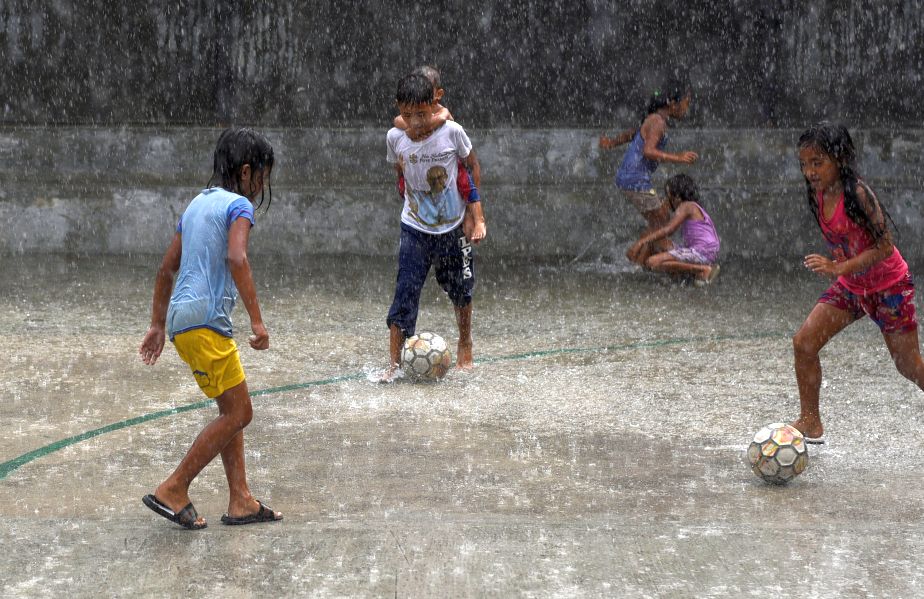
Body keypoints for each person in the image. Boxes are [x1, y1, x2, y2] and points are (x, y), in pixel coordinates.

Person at [138, 127, 282, 529]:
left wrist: (157, 324)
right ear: (247, 172)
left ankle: (241, 500)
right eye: (262, 177)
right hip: (207, 322)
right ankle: (174, 487)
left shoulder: (196, 205)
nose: (261, 187)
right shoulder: (239, 206)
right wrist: (257, 320)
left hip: (182, 322)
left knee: (230, 410)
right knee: (241, 412)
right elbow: (237, 258)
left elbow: (166, 268)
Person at [791, 122, 924, 443]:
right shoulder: (817, 193)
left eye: (817, 162)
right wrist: (844, 270)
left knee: (909, 367)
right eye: (805, 164)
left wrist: (839, 267)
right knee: (804, 344)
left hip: (889, 287)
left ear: (839, 159)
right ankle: (810, 422)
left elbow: (885, 247)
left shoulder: (858, 194)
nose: (810, 172)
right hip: (852, 286)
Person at [383, 73, 486, 381]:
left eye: (422, 114)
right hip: (414, 228)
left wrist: (473, 215)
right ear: (399, 108)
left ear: (435, 105)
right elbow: (399, 169)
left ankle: (465, 342)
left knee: (461, 289)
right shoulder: (395, 137)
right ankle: (393, 364)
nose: (415, 122)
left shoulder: (452, 132)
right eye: (408, 115)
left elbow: (471, 166)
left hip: (452, 228)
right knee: (404, 293)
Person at [599, 82, 699, 265]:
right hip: (635, 179)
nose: (687, 108)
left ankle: (640, 260)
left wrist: (611, 143)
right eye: (686, 102)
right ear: (672, 104)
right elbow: (648, 151)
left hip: (631, 178)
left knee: (659, 222)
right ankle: (672, 260)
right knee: (662, 223)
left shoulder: (654, 119)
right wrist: (678, 157)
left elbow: (633, 134)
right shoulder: (658, 122)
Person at [392, 65, 484, 242]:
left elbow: (473, 165)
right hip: (420, 205)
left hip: (449, 176)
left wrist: (470, 215)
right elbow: (397, 121)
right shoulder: (408, 119)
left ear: (437, 95)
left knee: (464, 183)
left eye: (427, 91)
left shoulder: (444, 116)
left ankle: (477, 218)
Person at [626, 173, 720, 285]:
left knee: (653, 262)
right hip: (703, 251)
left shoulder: (687, 206)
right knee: (654, 241)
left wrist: (641, 242)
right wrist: (646, 239)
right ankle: (640, 270)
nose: (666, 199)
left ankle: (702, 270)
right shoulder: (692, 206)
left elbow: (669, 230)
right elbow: (663, 231)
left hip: (701, 252)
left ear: (677, 197)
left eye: (668, 195)